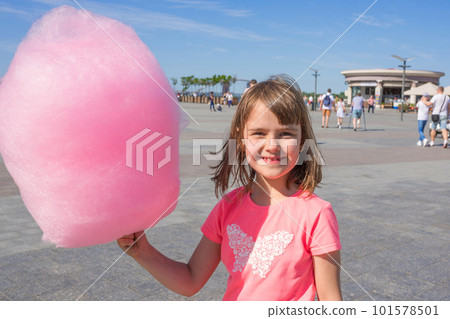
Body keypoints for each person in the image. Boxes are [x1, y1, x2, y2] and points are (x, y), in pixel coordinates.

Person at [117, 75, 342, 301]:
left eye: (285, 134)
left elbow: (330, 300)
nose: (272, 145)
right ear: (241, 140)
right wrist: (142, 251)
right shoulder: (228, 207)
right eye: (259, 133)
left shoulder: (316, 214)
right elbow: (191, 279)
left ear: (302, 141)